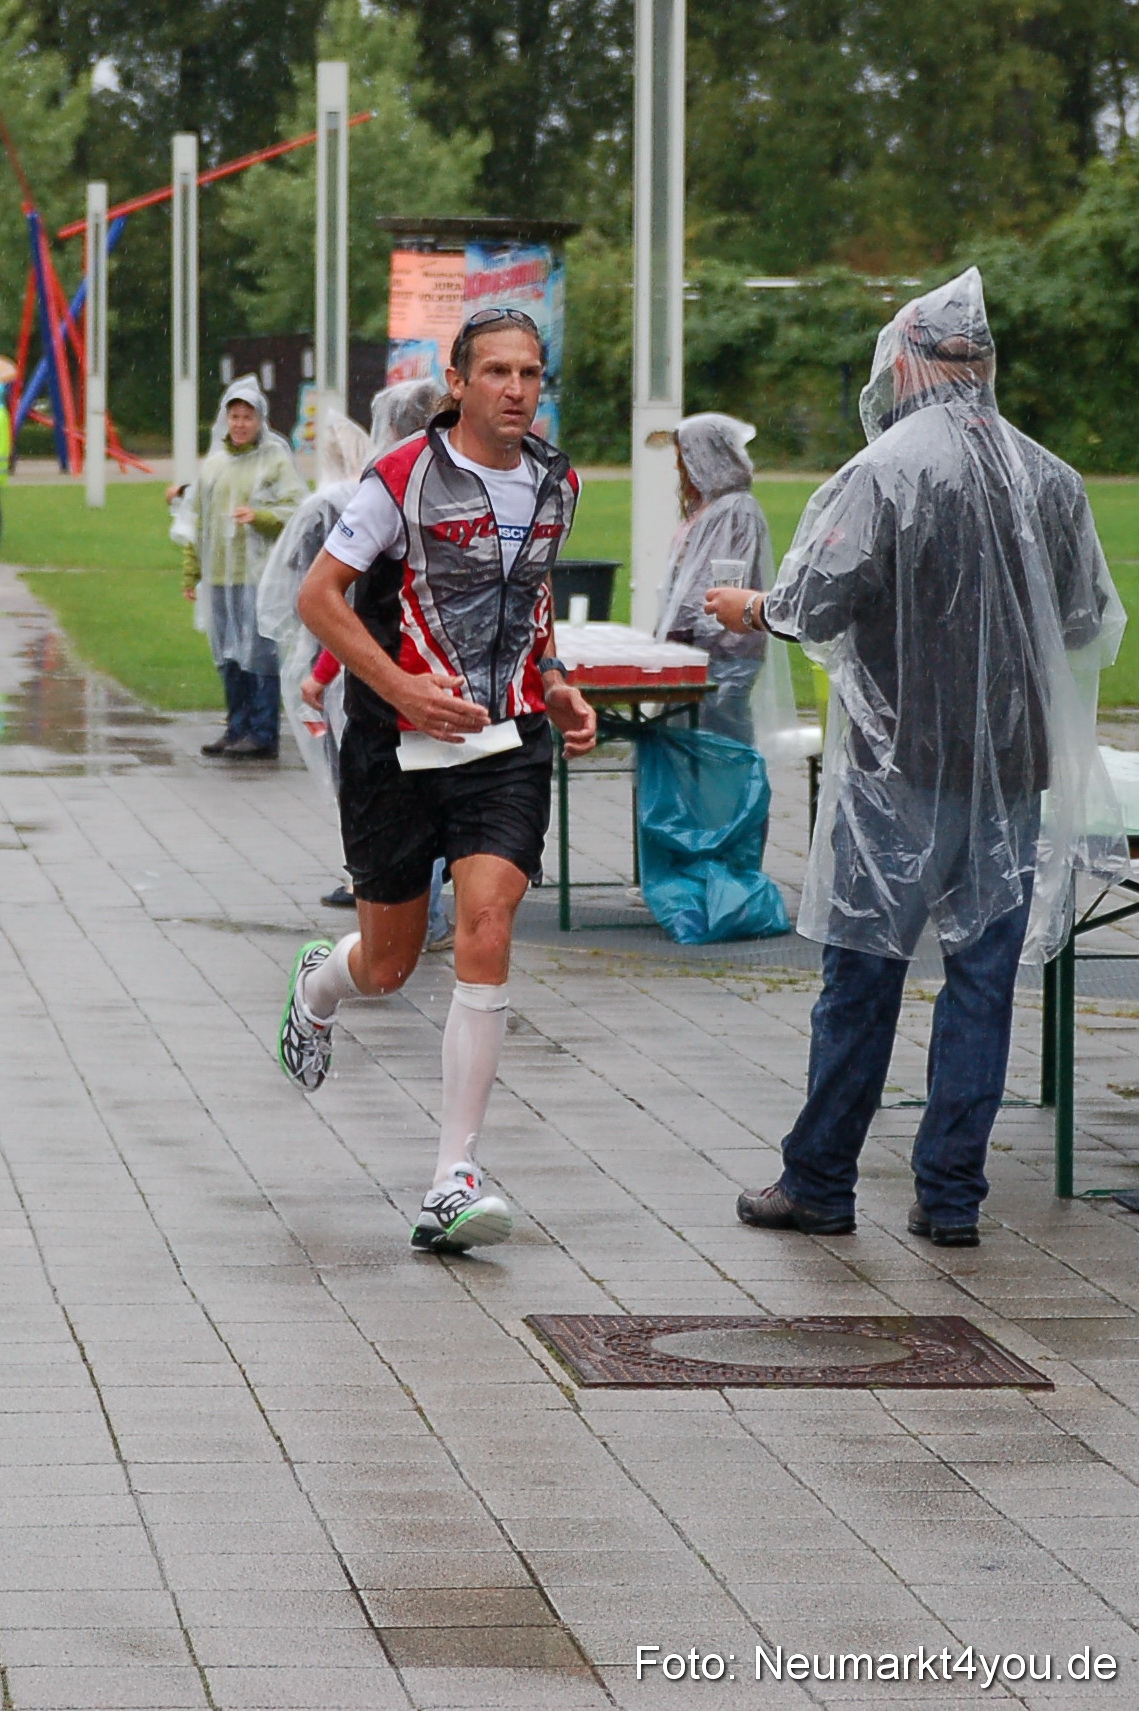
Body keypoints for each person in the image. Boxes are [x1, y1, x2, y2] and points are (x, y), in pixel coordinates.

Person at [705, 267, 1126, 1247]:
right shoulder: (1049, 478)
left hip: (896, 770)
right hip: (1010, 772)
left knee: (861, 974)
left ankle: (816, 1180)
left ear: (902, 359)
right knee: (979, 984)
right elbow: (1078, 618)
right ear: (980, 363)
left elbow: (811, 606)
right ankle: (949, 1197)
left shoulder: (884, 470)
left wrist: (748, 608)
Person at [276, 307, 596, 1253]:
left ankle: (452, 1176)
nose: (514, 389)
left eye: (530, 374)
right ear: (456, 382)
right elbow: (318, 598)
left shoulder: (554, 482)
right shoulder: (402, 478)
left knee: (490, 921)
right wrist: (399, 685)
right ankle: (318, 985)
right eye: (495, 371)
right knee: (389, 965)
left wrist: (556, 685)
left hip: (504, 743)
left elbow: (528, 598)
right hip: (394, 747)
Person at [180, 374, 306, 759]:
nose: (239, 424)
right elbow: (195, 520)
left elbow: (298, 508)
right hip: (221, 576)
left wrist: (260, 517)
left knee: (260, 655)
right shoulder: (213, 465)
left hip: (258, 577)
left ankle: (263, 732)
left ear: (260, 421)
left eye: (247, 417)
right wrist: (192, 572)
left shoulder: (275, 460)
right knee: (229, 654)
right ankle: (236, 728)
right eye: (234, 416)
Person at [656, 413, 775, 745]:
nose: (681, 469)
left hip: (723, 655)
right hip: (702, 653)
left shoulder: (734, 510)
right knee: (696, 747)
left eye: (686, 458)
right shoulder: (714, 509)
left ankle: (724, 798)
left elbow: (720, 585)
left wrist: (689, 629)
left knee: (719, 749)